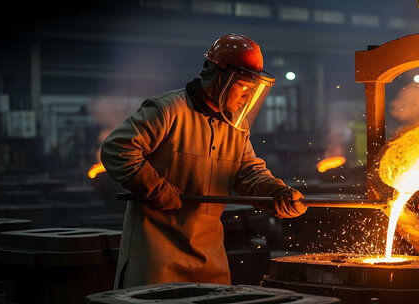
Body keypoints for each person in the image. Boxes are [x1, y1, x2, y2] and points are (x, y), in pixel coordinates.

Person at [100, 34, 307, 288]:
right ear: (222, 78)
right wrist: (156, 187)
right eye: (244, 86)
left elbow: (249, 174)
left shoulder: (235, 126)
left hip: (209, 260)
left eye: (252, 89)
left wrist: (276, 193)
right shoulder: (168, 110)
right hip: (156, 259)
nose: (247, 96)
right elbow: (116, 149)